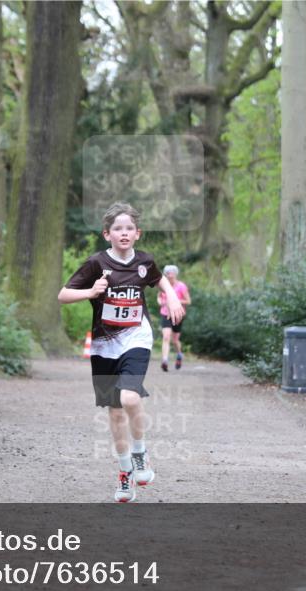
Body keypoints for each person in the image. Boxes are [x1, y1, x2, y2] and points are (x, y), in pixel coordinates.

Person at [58, 202, 185, 502]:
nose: (124, 233)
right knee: (115, 413)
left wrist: (171, 297)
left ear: (137, 233)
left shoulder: (144, 262)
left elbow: (159, 279)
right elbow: (63, 295)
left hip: (136, 337)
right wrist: (90, 292)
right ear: (107, 234)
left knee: (129, 397)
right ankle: (125, 471)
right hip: (104, 346)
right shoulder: (96, 263)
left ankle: (140, 453)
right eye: (118, 229)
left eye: (129, 228)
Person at [157, 265, 192, 372]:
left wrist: (175, 300)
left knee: (175, 340)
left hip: (178, 315)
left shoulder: (181, 286)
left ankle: (179, 354)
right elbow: (159, 296)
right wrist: (161, 302)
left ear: (176, 274)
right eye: (168, 273)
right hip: (165, 313)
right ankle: (165, 360)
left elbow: (188, 301)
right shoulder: (164, 284)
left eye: (172, 273)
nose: (170, 275)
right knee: (166, 336)